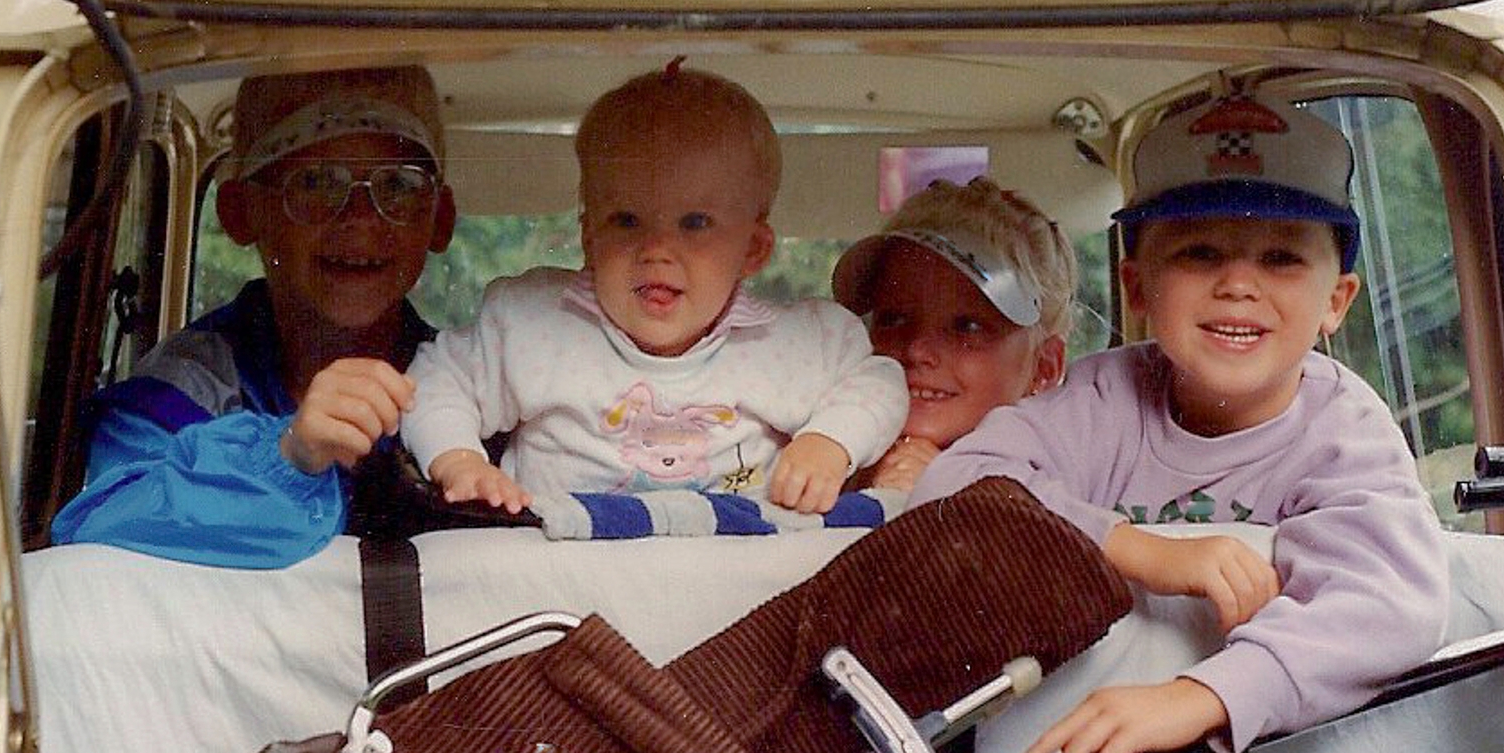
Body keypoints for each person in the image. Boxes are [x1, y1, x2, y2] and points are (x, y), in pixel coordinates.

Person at [910, 91, 1447, 753]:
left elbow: (1390, 602)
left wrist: (1202, 695)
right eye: (1198, 253)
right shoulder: (1101, 398)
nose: (1236, 284)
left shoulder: (1343, 428)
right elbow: (950, 486)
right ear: (1137, 287)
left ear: (1336, 303)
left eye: (1281, 257)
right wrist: (1138, 550)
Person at [400, 62, 909, 516]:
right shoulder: (533, 325)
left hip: (735, 590)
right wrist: (458, 459)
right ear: (589, 238)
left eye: (694, 222)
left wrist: (828, 441)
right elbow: (435, 380)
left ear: (753, 249)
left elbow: (880, 382)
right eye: (626, 220)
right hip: (562, 584)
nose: (657, 249)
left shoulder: (795, 344)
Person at [50, 66, 462, 567]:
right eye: (315, 182)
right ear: (241, 212)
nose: (359, 216)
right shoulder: (182, 390)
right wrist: (286, 457)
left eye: (398, 185)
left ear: (440, 219)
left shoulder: (474, 385)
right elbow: (96, 520)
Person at [832, 176, 1077, 492]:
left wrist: (948, 492)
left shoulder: (1061, 484)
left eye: (967, 327)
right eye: (892, 318)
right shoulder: (816, 451)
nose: (917, 349)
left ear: (1044, 368)